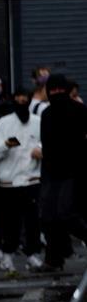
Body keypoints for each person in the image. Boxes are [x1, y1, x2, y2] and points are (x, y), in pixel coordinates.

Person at [0, 88, 44, 272]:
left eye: (25, 97)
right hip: (10, 181)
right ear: (13, 100)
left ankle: (33, 255)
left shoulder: (37, 122)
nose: (22, 100)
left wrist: (40, 149)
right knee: (11, 222)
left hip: (31, 179)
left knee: (32, 221)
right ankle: (7, 255)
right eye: (19, 97)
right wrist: (7, 144)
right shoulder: (4, 123)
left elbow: (45, 142)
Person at [37, 73, 87, 272]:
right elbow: (46, 144)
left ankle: (58, 255)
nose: (56, 94)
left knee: (66, 214)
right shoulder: (47, 114)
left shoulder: (80, 111)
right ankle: (54, 258)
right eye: (53, 90)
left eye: (60, 90)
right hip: (51, 172)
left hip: (74, 172)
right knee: (48, 217)